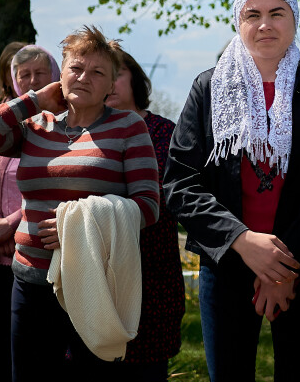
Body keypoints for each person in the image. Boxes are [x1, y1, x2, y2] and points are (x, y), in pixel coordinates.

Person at [165, 0, 300, 381]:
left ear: (294, 19)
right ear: (238, 22)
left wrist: (283, 267)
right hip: (227, 260)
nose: (265, 25)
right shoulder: (208, 88)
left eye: (276, 13)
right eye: (253, 15)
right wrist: (242, 241)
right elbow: (179, 183)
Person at [0, 26, 160, 382]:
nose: (84, 78)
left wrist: (80, 225)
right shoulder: (36, 125)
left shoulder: (128, 127)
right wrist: (34, 100)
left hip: (93, 282)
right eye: (76, 68)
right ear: (62, 74)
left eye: (97, 72)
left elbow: (147, 205)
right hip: (28, 281)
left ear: (111, 84)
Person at [0, 44, 59, 382]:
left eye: (40, 73)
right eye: (25, 75)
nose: (32, 81)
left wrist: (10, 224)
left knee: (31, 355)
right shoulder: (9, 121)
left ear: (55, 75)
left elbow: (55, 186)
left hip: (35, 253)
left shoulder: (61, 124)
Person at [104, 49, 185, 380]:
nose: (108, 83)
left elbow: (178, 198)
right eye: (99, 74)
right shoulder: (81, 133)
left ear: (135, 80)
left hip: (152, 274)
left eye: (117, 74)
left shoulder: (166, 133)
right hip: (94, 275)